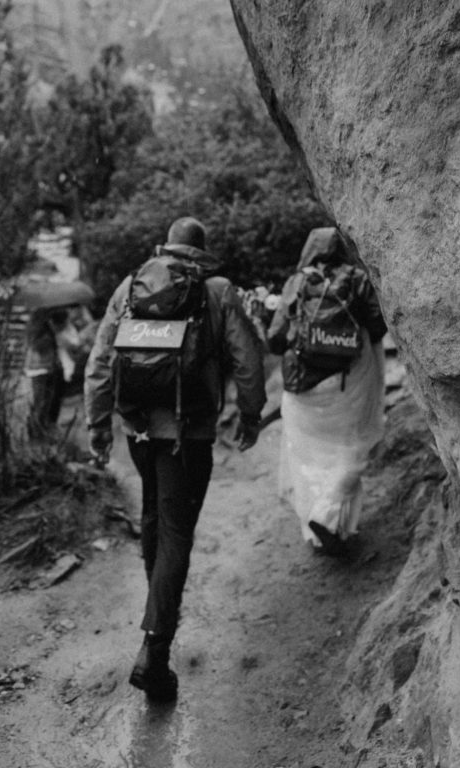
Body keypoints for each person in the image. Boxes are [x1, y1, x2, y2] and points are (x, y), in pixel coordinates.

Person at [84, 216, 267, 702]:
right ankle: (155, 651)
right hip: (189, 434)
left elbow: (102, 358)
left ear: (167, 248)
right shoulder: (218, 290)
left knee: (153, 518)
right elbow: (247, 360)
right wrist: (251, 415)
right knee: (175, 529)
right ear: (200, 254)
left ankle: (157, 615)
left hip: (138, 431)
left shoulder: (130, 285)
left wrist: (98, 425)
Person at [267, 227, 387, 557]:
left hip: (303, 388)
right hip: (347, 385)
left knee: (306, 455)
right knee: (351, 448)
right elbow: (378, 327)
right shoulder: (358, 279)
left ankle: (316, 522)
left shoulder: (297, 283)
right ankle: (330, 514)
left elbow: (275, 338)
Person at [24, 307, 73, 441]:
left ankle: (45, 432)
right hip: (39, 369)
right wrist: (53, 334)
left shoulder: (48, 324)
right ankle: (36, 436)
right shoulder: (36, 326)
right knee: (41, 403)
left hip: (51, 367)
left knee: (51, 403)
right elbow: (37, 346)